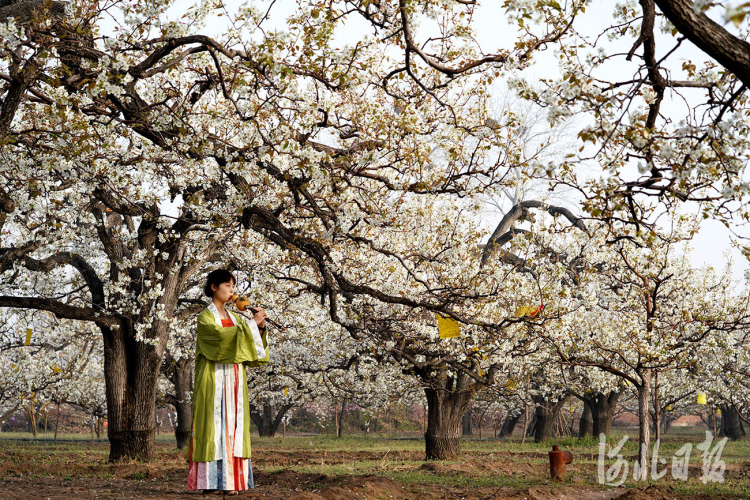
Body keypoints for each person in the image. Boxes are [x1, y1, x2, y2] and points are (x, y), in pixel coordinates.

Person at [187, 269, 270, 495]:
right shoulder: (205, 317)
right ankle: (209, 483)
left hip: (234, 379)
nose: (232, 290)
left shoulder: (236, 318)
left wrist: (259, 327)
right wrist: (250, 325)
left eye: (233, 286)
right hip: (212, 380)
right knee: (212, 429)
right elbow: (220, 340)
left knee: (233, 428)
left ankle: (232, 482)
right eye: (227, 285)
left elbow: (250, 350)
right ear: (214, 287)